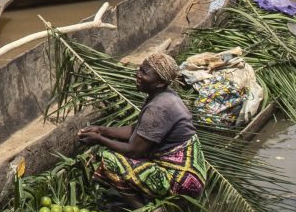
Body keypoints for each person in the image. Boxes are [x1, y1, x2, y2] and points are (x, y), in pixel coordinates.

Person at [74, 53, 204, 202]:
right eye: (140, 69)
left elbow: (134, 151)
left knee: (110, 159)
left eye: (144, 73)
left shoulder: (158, 108)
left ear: (160, 82)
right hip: (192, 175)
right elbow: (138, 129)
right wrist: (102, 130)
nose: (138, 75)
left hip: (181, 182)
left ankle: (141, 210)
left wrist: (99, 140)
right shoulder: (165, 95)